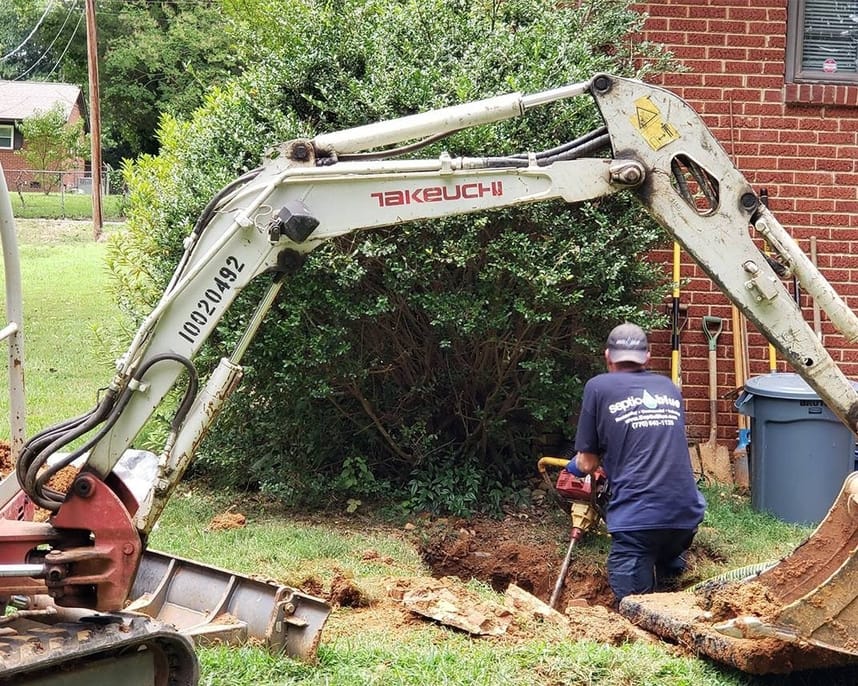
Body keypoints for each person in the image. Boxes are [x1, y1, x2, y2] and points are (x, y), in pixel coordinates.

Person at [565, 322, 705, 604]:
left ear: (608, 356)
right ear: (647, 357)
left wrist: (571, 468)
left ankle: (644, 596)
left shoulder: (598, 387)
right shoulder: (668, 387)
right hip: (685, 517)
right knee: (664, 552)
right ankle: (669, 570)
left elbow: (587, 463)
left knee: (634, 606)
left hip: (637, 523)